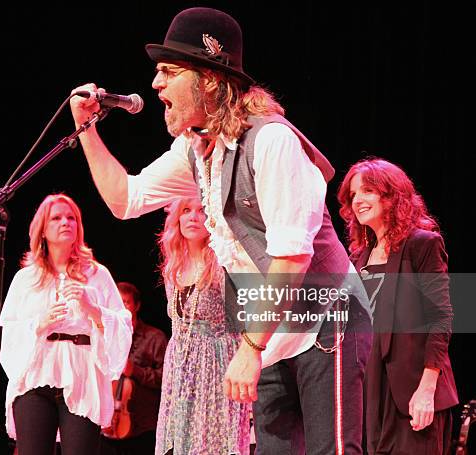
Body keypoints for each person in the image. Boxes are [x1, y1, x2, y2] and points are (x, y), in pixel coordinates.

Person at [69, 7, 371, 454]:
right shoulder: (194, 148)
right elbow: (125, 199)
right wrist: (85, 128)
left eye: (169, 72)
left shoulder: (271, 141)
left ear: (210, 79)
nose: (156, 85)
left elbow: (292, 257)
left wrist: (248, 349)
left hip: (326, 318)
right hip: (270, 328)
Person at [337, 158, 458, 454]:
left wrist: (427, 389)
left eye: (367, 191)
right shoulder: (359, 258)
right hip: (370, 392)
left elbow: (441, 317)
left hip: (413, 390)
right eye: (353, 195)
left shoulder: (423, 244)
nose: (358, 201)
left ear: (392, 196)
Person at [0, 193, 132, 455]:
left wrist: (92, 308)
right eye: (57, 218)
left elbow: (123, 326)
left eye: (71, 218)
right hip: (37, 373)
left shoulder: (96, 274)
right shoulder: (26, 278)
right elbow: (7, 332)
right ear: (43, 230)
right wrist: (39, 323)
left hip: (82, 374)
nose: (65, 222)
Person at [156, 197, 251, 455]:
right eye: (186, 211)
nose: (193, 217)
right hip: (179, 369)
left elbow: (243, 323)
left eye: (201, 211)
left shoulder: (223, 265)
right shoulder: (172, 268)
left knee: (212, 445)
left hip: (216, 366)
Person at [99, 281, 168, 455]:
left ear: (136, 306)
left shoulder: (155, 338)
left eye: (126, 303)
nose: (121, 308)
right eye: (116, 303)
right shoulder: (102, 338)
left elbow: (166, 380)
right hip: (107, 426)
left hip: (143, 426)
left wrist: (135, 371)